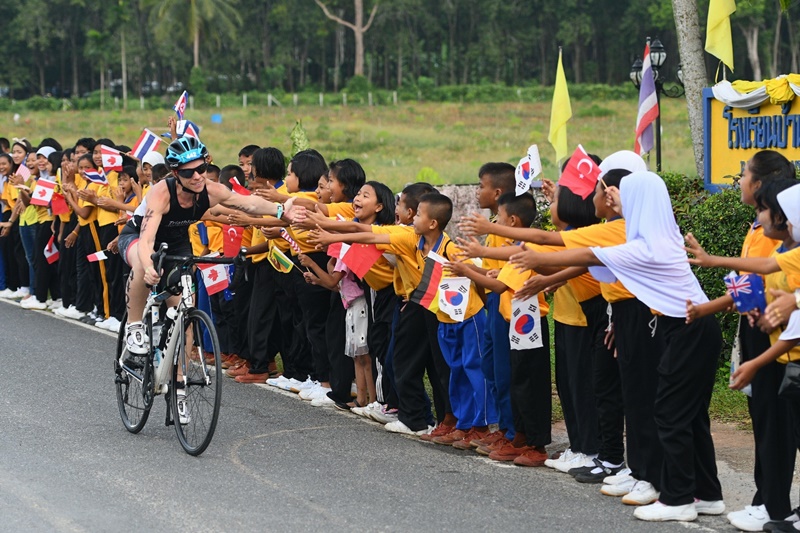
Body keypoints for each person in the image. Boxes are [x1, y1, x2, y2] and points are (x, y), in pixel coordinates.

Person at [508, 171, 725, 522]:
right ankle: (707, 494)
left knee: (669, 414)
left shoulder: (643, 245)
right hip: (688, 328)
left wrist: (537, 261)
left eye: (621, 195)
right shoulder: (656, 236)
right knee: (689, 415)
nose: (613, 198)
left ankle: (680, 497)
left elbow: (584, 257)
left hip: (687, 331)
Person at [118, 136, 294, 357]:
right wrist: (149, 264)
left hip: (176, 242)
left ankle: (179, 380)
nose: (196, 176)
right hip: (138, 235)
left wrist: (280, 210)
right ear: (175, 174)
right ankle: (133, 325)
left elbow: (248, 204)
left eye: (201, 168)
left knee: (184, 314)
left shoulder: (210, 189)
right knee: (145, 264)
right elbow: (146, 240)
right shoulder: (161, 193)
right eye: (187, 172)